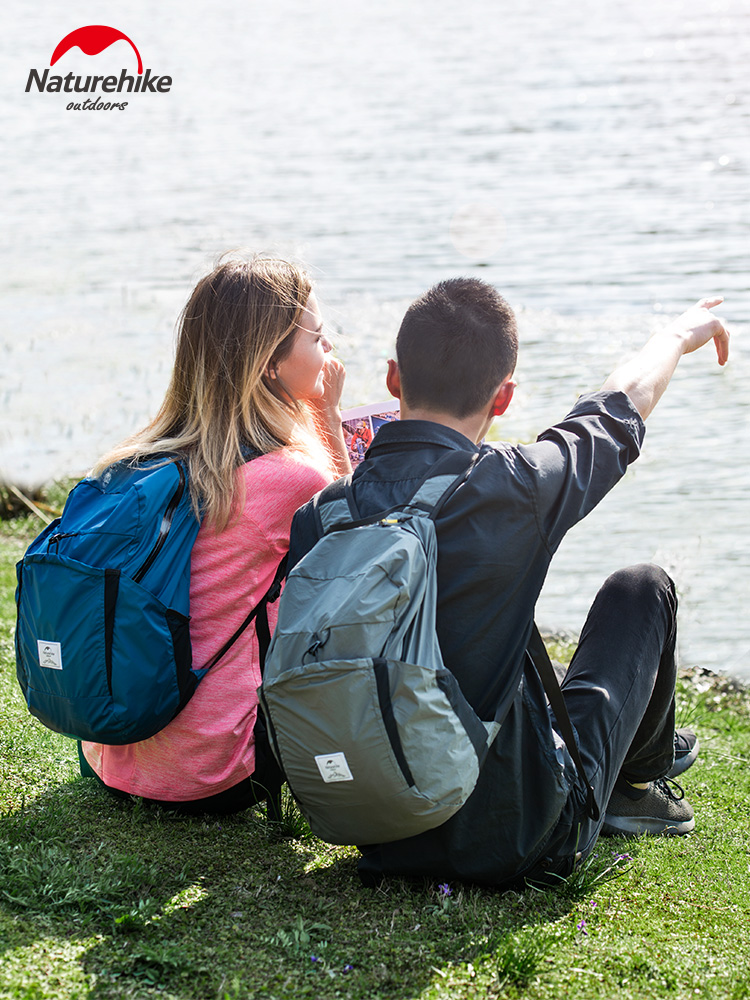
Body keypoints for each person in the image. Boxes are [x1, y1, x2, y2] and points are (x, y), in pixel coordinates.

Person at [287, 278, 730, 888]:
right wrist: (676, 336)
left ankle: (629, 773)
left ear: (393, 378)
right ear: (504, 398)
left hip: (373, 824)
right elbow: (618, 407)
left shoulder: (321, 515)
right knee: (640, 587)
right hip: (516, 833)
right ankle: (637, 775)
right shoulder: (515, 487)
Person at [80, 254, 351, 815]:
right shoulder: (294, 476)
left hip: (113, 749)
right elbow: (369, 548)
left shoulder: (142, 461)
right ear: (269, 365)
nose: (329, 350)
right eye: (318, 338)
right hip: (217, 770)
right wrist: (327, 413)